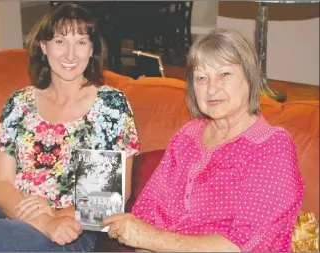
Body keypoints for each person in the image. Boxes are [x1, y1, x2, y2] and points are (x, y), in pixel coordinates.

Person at [101, 28, 305, 252]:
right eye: (201, 78)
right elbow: (148, 211)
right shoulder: (187, 136)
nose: (211, 88)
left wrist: (151, 239)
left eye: (224, 74)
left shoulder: (271, 147)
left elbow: (245, 245)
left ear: (250, 77)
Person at [0, 2, 139, 252]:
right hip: (6, 211)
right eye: (60, 41)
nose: (70, 55)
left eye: (81, 42)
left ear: (92, 49)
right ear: (43, 46)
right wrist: (41, 221)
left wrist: (53, 217)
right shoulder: (19, 102)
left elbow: (102, 201)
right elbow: (0, 184)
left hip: (70, 226)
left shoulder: (109, 106)